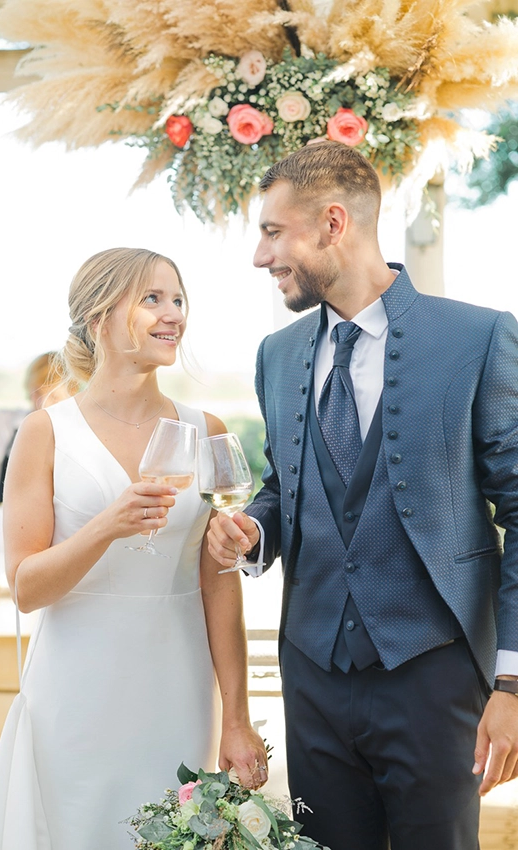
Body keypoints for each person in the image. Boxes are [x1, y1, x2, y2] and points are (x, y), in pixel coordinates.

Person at [207, 141, 518, 850]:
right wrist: (255, 530)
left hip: (433, 676)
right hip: (312, 675)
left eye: (272, 232)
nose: (262, 257)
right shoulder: (277, 353)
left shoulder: (477, 338)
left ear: (333, 223)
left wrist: (512, 686)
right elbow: (285, 486)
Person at [0, 248, 267, 850]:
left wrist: (236, 716)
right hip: (77, 693)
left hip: (179, 691)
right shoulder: (45, 433)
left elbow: (218, 584)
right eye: (152, 299)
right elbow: (26, 588)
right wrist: (108, 524)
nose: (173, 315)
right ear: (100, 316)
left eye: (178, 299)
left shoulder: (204, 429)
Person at [0, 351, 76, 503]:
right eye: (37, 394)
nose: (42, 404)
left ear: (72, 394)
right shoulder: (1, 423)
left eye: (53, 396)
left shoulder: (79, 436)